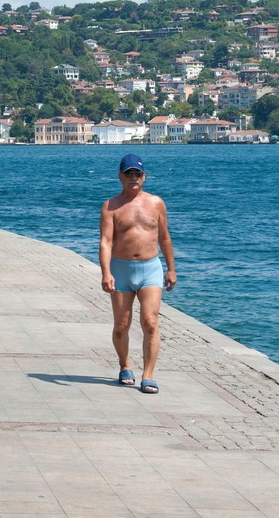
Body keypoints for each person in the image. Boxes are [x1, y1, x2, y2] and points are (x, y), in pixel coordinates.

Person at [99, 153, 177, 395]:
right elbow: (105, 242)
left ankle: (148, 375)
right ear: (120, 176)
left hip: (150, 269)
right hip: (121, 269)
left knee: (150, 323)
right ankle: (125, 366)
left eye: (138, 173)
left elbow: (164, 237)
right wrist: (106, 272)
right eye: (129, 173)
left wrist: (172, 269)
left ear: (144, 176)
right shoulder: (111, 206)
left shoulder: (156, 203)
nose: (133, 177)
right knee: (121, 325)